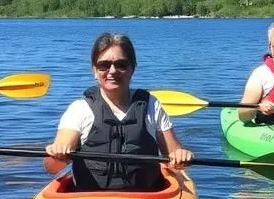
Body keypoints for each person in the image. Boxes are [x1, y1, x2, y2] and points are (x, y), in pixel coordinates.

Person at [45, 32, 193, 190]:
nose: (112, 71)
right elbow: (51, 168)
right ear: (94, 70)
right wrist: (58, 154)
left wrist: (180, 156)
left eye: (121, 65)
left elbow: (175, 157)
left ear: (132, 69)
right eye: (104, 65)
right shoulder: (80, 109)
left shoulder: (151, 106)